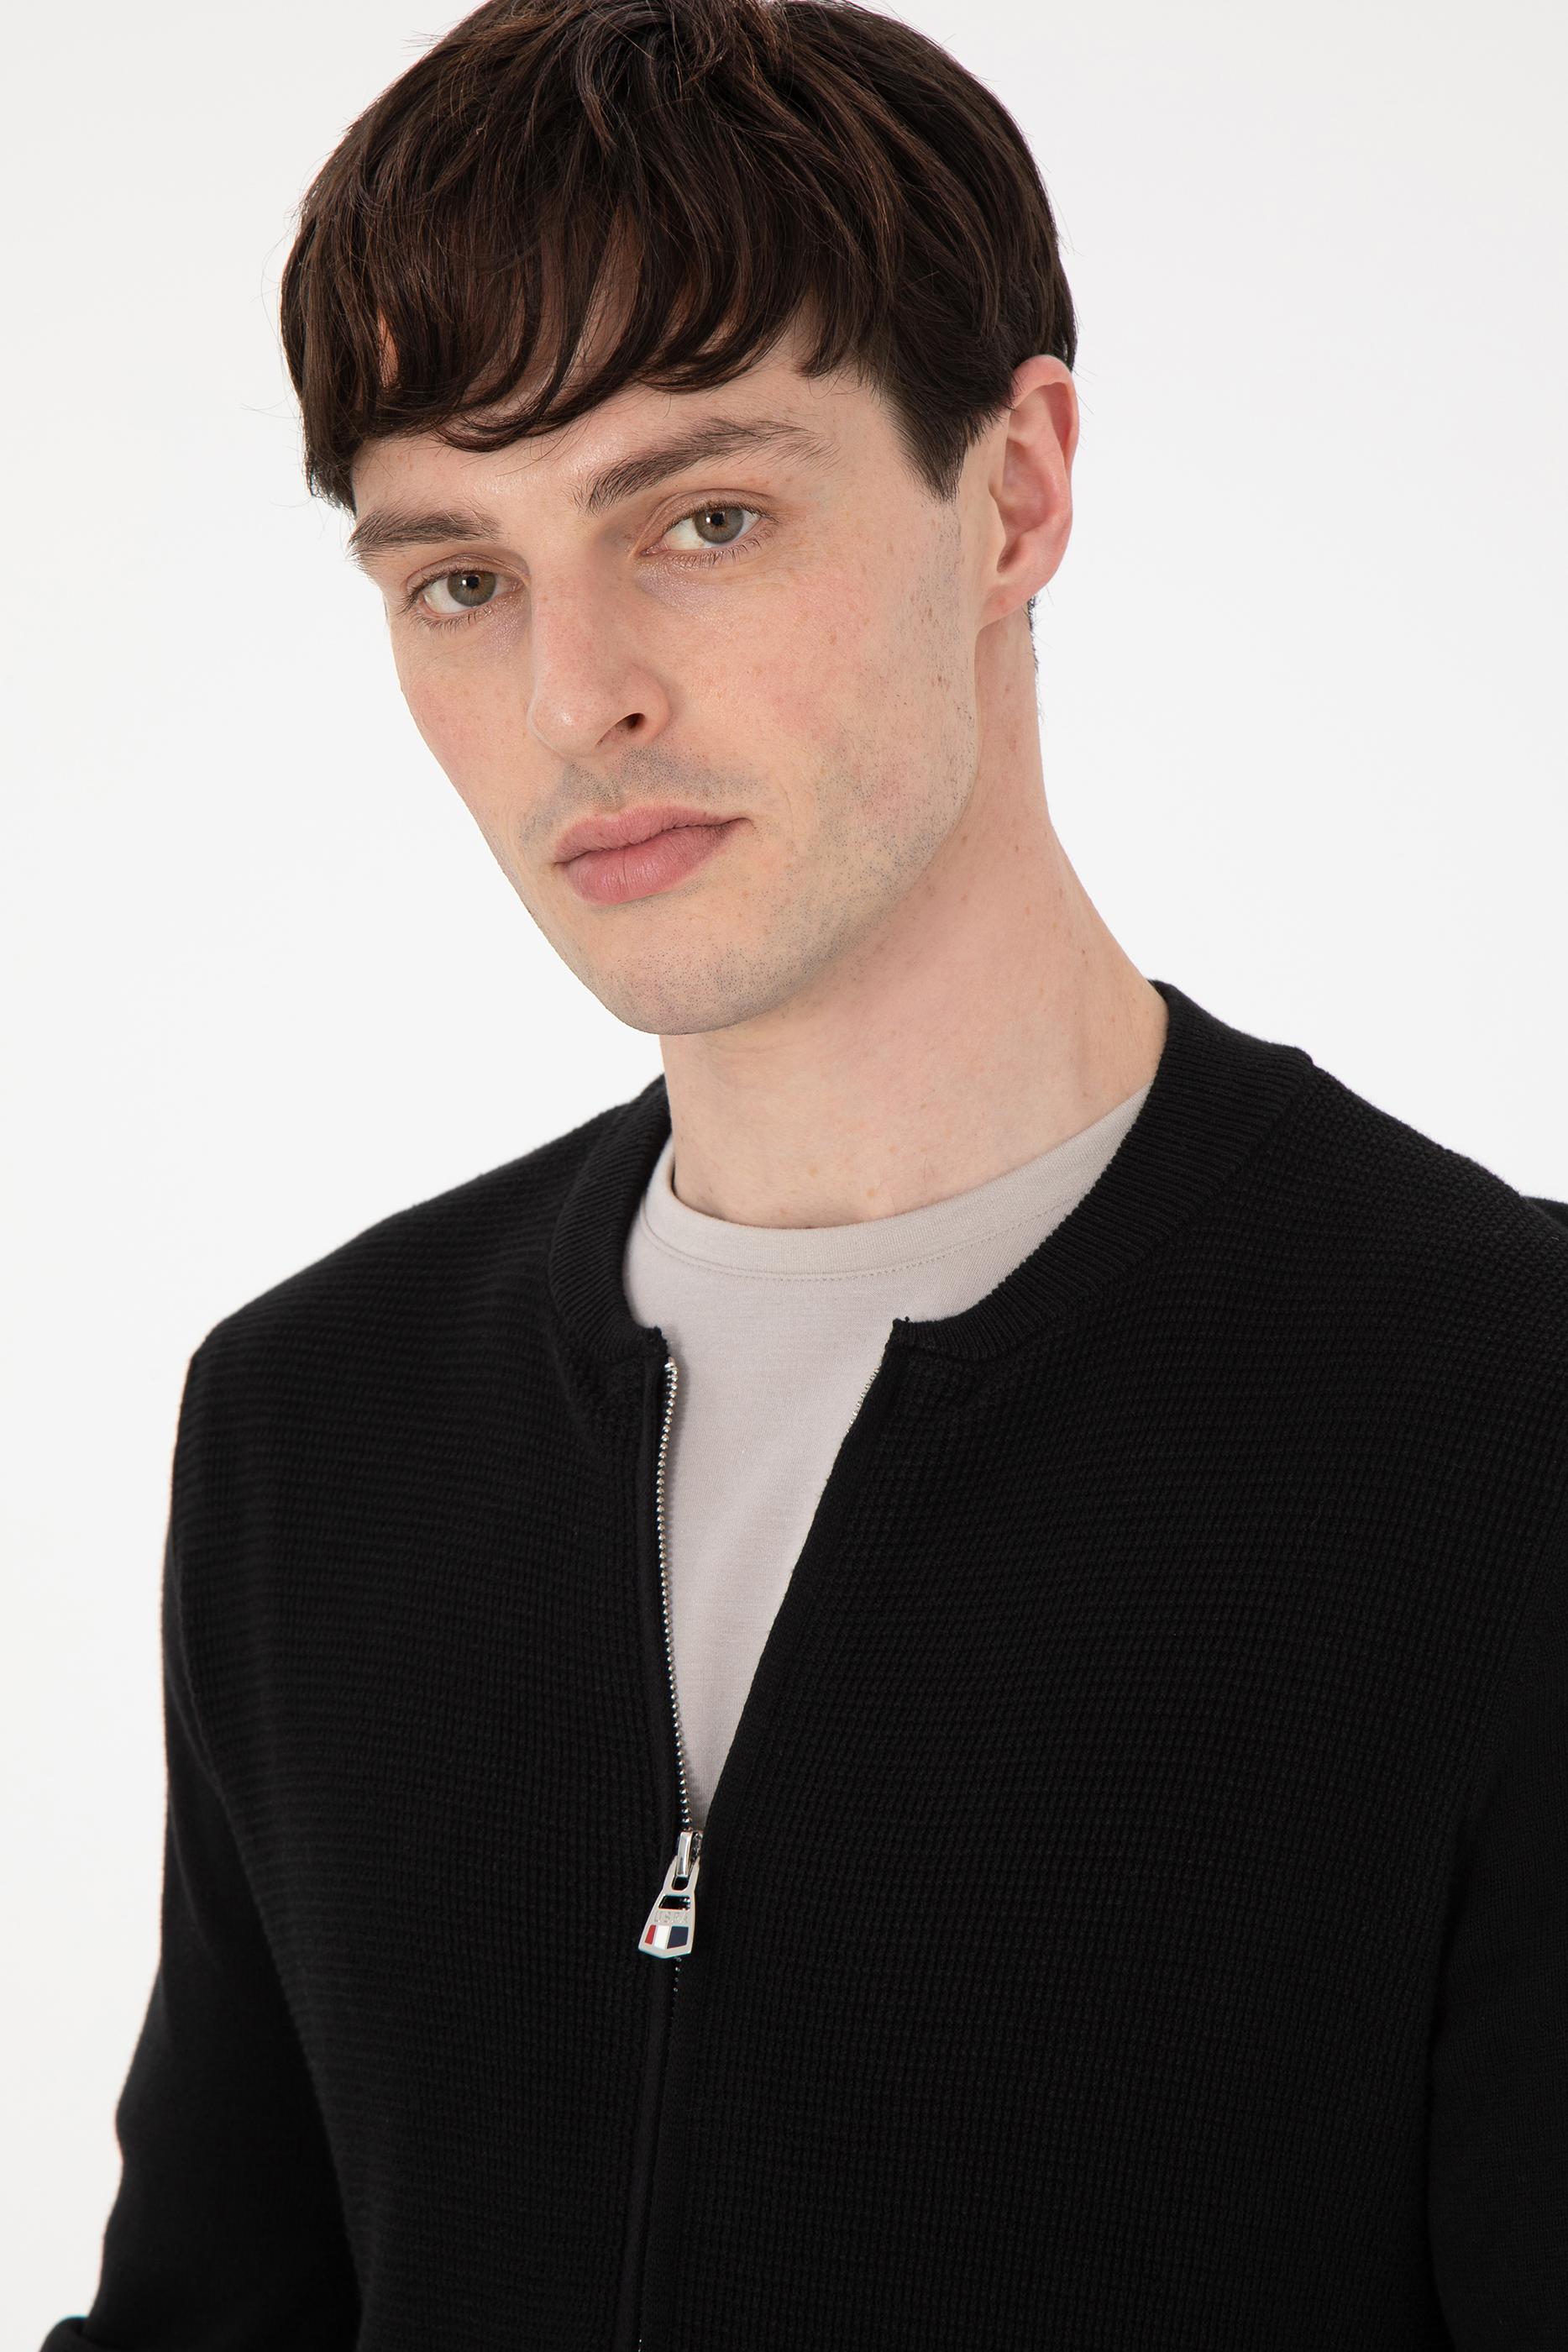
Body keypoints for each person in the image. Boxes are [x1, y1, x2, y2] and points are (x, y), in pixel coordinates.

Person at [42, 0, 1568, 2344]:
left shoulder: (1504, 1419)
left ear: (1015, 492)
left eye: (707, 519)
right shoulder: (313, 1423)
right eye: (457, 577)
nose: (576, 696)